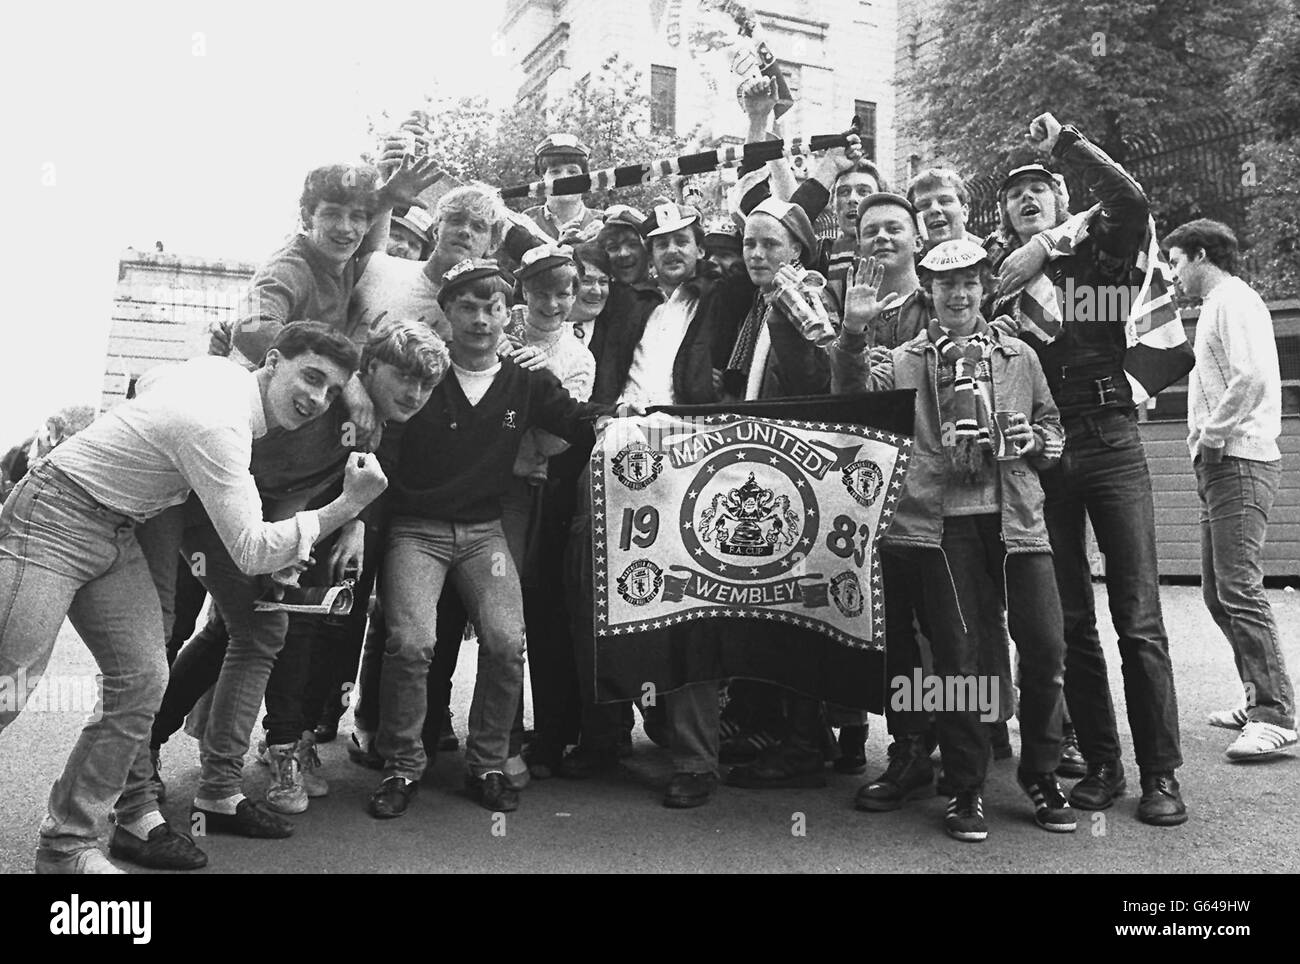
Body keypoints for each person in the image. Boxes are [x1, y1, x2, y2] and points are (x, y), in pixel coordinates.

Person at [0, 322, 388, 874]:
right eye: (310, 377)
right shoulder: (219, 424)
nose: (317, 398)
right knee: (8, 685)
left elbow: (154, 378)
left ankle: (67, 845)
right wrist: (348, 506)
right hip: (55, 514)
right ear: (272, 361)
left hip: (121, 526)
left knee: (141, 681)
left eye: (331, 389)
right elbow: (253, 551)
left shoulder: (219, 376)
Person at [831, 238, 1072, 841]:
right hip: (941, 525)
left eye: (968, 282)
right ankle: (966, 787)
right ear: (932, 294)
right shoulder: (904, 358)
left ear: (984, 287)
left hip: (1016, 519)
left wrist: (1035, 444)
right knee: (959, 663)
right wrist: (854, 332)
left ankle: (1041, 773)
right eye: (945, 285)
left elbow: (1051, 427)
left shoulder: (1019, 355)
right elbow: (853, 389)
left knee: (1044, 648)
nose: (958, 294)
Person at [986, 112, 1187, 827]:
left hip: (1111, 437)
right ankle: (1103, 764)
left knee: (1138, 618)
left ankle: (1161, 774)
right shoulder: (1002, 279)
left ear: (1060, 199)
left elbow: (1131, 201)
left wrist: (1065, 142)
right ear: (1004, 217)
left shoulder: (1092, 250)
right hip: (1048, 451)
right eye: (1014, 195)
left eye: (1039, 187)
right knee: (1074, 623)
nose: (1026, 197)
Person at [367, 259, 616, 819]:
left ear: (510, 314)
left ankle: (488, 763)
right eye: (469, 307)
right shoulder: (424, 373)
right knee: (412, 643)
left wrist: (626, 419)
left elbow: (578, 417)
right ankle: (401, 765)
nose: (481, 319)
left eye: (493, 307)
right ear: (448, 312)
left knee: (507, 641)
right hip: (418, 529)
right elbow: (379, 419)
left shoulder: (524, 378)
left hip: (484, 531)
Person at [1164, 218, 1296, 760]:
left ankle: (1275, 713)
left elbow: (1254, 378)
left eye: (1175, 263)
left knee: (1239, 588)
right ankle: (1257, 696)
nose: (1172, 276)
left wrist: (1213, 436)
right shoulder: (1219, 305)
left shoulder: (1233, 301)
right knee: (1219, 591)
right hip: (1222, 462)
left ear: (1199, 255)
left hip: (1238, 459)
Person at [523, 134, 600, 240]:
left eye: (573, 171)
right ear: (542, 180)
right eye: (555, 171)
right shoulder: (525, 223)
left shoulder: (605, 223)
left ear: (585, 180)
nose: (564, 178)